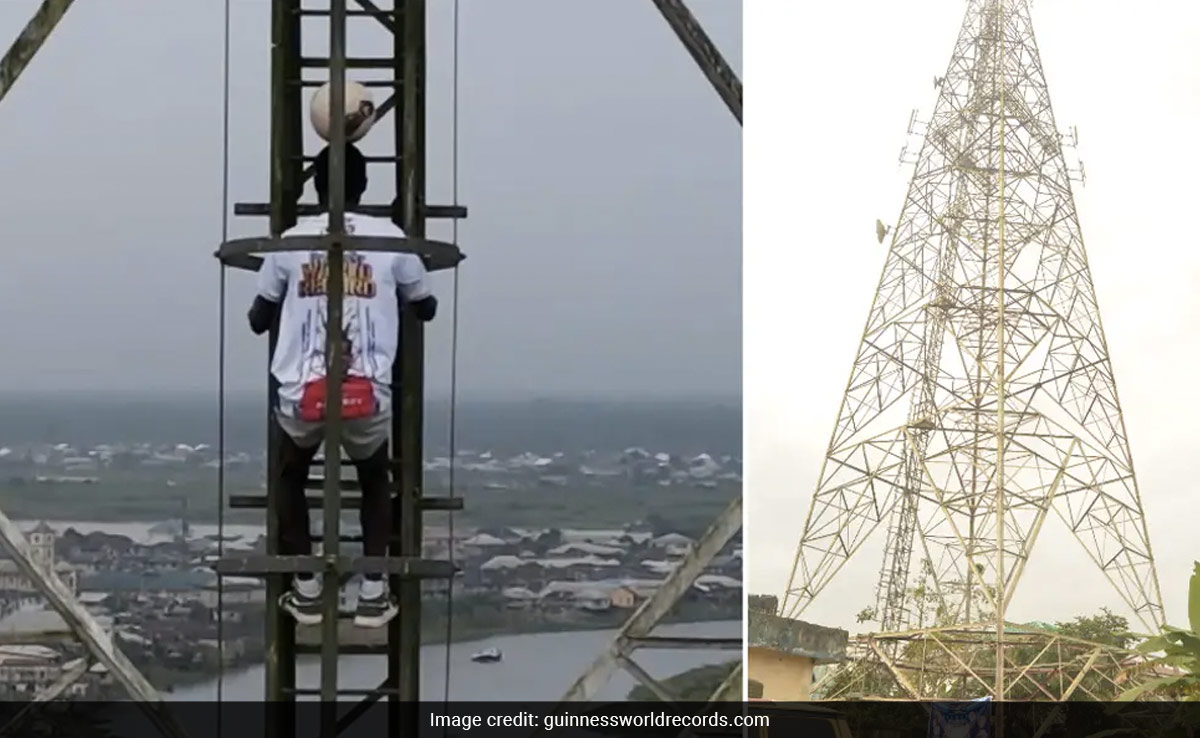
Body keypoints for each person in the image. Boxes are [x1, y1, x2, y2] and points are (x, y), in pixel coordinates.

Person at [247, 143, 437, 628]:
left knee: (290, 475)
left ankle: (307, 588)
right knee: (375, 478)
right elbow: (426, 306)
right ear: (364, 186)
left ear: (313, 185)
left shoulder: (290, 241)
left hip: (301, 390)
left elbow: (258, 318)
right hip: (366, 388)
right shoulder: (392, 238)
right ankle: (374, 589)